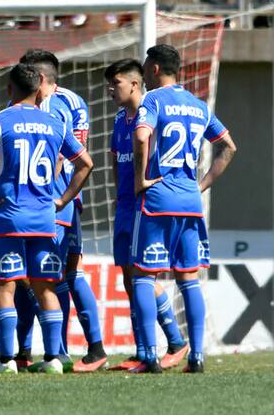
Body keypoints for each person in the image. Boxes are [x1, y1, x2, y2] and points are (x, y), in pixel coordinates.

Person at [0, 63, 94, 375]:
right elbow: (85, 163)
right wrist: (63, 200)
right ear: (40, 88)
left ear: (9, 89)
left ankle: (7, 360)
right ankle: (53, 359)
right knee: (46, 287)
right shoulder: (56, 124)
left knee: (6, 287)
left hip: (8, 219)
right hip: (44, 220)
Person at [131, 44, 237, 373]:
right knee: (188, 278)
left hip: (159, 198)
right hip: (190, 201)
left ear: (157, 69)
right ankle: (197, 356)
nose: (145, 73)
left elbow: (141, 136)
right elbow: (229, 146)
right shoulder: (198, 106)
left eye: (147, 66)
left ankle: (149, 355)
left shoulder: (152, 100)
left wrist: (140, 179)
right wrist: (201, 185)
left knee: (143, 276)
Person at [19, 49, 107, 372]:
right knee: (70, 273)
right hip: (72, 199)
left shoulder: (43, 105)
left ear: (38, 78)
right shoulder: (76, 102)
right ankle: (92, 348)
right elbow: (78, 150)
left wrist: (44, 186)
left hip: (49, 202)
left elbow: (58, 153)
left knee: (35, 277)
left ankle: (47, 352)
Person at [103, 58, 188, 371]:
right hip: (124, 205)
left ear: (135, 83)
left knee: (143, 276)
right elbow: (115, 158)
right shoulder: (118, 119)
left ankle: (175, 341)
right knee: (129, 278)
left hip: (145, 204)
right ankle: (141, 351)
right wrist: (117, 194)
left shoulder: (150, 115)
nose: (110, 90)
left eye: (116, 84)